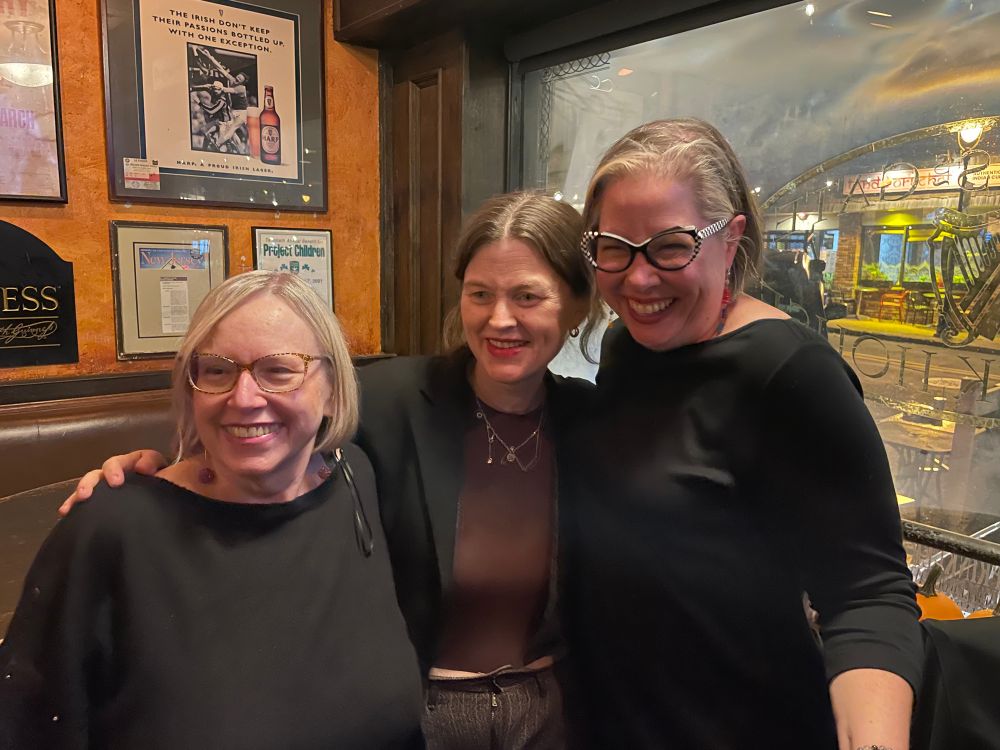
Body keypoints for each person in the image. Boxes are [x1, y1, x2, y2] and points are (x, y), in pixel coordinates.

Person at [57, 192, 601, 749]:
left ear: (578, 305)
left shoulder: (590, 419)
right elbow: (266, 426)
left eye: (528, 296)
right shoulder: (390, 399)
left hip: (550, 708)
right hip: (419, 710)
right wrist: (165, 474)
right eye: (479, 294)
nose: (499, 318)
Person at [562, 118, 923, 750]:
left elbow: (869, 598)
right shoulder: (626, 350)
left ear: (730, 240)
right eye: (614, 247)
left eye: (671, 246)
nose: (638, 279)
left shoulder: (790, 371)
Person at [0, 272, 424, 749]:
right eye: (218, 370)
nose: (243, 398)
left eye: (279, 370)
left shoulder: (356, 483)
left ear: (331, 390)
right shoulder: (112, 529)